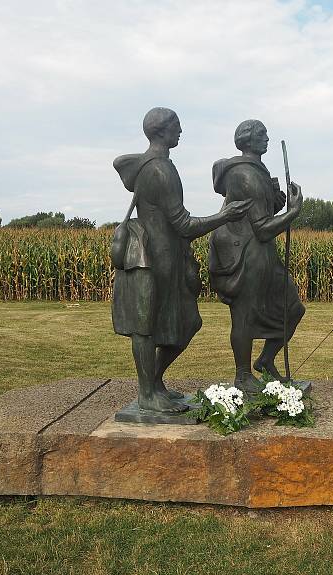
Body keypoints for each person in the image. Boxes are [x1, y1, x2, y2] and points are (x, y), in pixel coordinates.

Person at [111, 107, 251, 413]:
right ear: (161, 131)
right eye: (176, 125)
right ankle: (147, 393)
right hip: (150, 261)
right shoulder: (160, 170)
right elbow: (184, 224)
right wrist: (224, 215)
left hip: (169, 259)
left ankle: (155, 382)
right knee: (145, 327)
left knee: (188, 323)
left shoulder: (158, 166)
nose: (181, 130)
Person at [208, 119, 304, 392]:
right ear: (247, 139)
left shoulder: (258, 172)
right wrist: (293, 212)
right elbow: (261, 228)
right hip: (245, 254)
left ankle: (265, 360)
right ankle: (242, 375)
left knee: (293, 308)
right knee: (244, 316)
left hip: (264, 255)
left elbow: (262, 214)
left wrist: (277, 201)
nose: (267, 138)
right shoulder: (244, 175)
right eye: (262, 134)